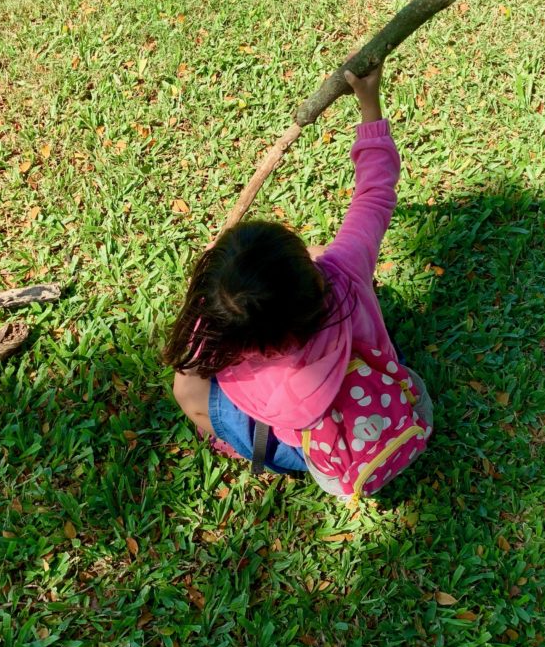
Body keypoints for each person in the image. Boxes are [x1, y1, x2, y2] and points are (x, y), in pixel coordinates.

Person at [165, 60, 433, 494]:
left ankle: (224, 441)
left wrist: (206, 298)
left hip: (309, 450)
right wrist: (369, 103)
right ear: (310, 278)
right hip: (377, 398)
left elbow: (194, 362)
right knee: (325, 254)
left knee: (187, 388)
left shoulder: (224, 336)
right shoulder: (346, 273)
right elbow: (376, 193)